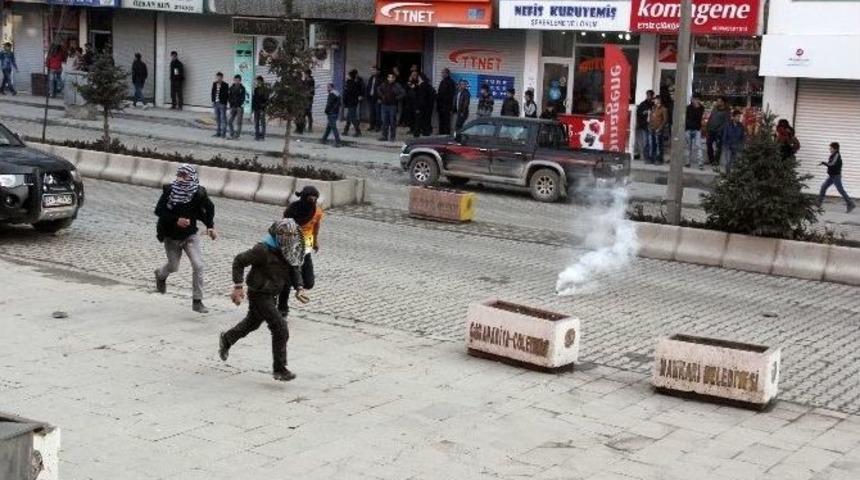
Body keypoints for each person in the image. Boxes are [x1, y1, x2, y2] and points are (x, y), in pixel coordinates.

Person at [220, 219, 309, 382]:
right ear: (279, 236)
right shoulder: (262, 250)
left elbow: (294, 266)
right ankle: (280, 369)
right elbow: (239, 261)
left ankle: (227, 339)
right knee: (280, 327)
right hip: (259, 293)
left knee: (252, 323)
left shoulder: (288, 249)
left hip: (271, 293)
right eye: (288, 236)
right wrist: (238, 286)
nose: (292, 239)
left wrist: (299, 287)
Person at [154, 164, 217, 314]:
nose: (181, 179)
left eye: (185, 176)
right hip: (171, 236)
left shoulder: (198, 193)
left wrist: (210, 226)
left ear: (192, 177)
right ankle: (160, 275)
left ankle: (197, 301)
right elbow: (159, 211)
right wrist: (176, 220)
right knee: (173, 266)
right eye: (179, 175)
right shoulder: (170, 191)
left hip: (190, 235)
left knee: (198, 265)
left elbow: (210, 208)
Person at [277, 186, 323, 317]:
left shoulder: (317, 212)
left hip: (305, 249)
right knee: (289, 278)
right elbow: (283, 225)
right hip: (290, 247)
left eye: (315, 198)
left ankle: (295, 285)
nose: (313, 200)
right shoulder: (293, 209)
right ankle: (282, 306)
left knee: (308, 282)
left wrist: (315, 242)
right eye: (310, 197)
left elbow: (316, 226)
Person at [818, 143, 856, 213]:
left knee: (841, 190)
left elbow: (832, 164)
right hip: (832, 176)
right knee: (823, 187)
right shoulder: (833, 155)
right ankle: (818, 203)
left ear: (835, 149)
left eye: (831, 148)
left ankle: (851, 204)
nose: (830, 149)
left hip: (836, 176)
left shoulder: (837, 155)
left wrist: (823, 163)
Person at [377, 73, 405, 142]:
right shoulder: (384, 84)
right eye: (389, 77)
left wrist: (396, 98)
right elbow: (378, 89)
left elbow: (403, 93)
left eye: (392, 77)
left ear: (394, 78)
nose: (390, 79)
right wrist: (382, 96)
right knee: (384, 121)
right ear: (387, 78)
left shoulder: (397, 85)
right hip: (384, 105)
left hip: (393, 105)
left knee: (392, 121)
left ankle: (392, 137)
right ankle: (384, 136)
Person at [706, 97, 729, 165]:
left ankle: (716, 161)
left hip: (719, 132)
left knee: (718, 147)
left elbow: (726, 123)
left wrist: (720, 130)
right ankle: (711, 160)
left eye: (719, 101)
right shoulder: (714, 109)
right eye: (717, 101)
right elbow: (710, 118)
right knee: (709, 144)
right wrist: (708, 126)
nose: (717, 103)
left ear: (723, 102)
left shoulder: (726, 112)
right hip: (711, 130)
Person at [685, 95, 705, 169]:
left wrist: (697, 107)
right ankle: (687, 162)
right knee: (688, 146)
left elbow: (699, 117)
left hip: (697, 129)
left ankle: (700, 163)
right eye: (694, 99)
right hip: (688, 129)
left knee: (698, 146)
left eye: (696, 99)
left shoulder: (701, 108)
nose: (695, 101)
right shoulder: (688, 108)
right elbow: (687, 118)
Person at [342, 69, 364, 137]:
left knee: (352, 117)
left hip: (351, 102)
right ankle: (346, 130)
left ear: (350, 76)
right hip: (353, 102)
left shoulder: (349, 83)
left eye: (348, 75)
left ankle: (358, 131)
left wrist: (344, 101)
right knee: (349, 117)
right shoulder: (355, 83)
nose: (346, 76)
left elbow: (346, 93)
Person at [647, 97, 668, 165]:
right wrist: (649, 126)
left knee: (658, 145)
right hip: (652, 128)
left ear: (659, 101)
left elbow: (665, 120)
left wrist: (660, 128)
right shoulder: (653, 108)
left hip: (658, 129)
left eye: (655, 100)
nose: (654, 101)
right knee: (651, 144)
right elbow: (650, 118)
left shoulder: (663, 109)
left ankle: (659, 159)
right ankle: (651, 158)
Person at [321, 83, 342, 147]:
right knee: (329, 127)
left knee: (333, 127)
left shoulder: (331, 94)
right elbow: (339, 104)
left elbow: (329, 104)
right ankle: (323, 139)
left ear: (331, 87)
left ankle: (338, 141)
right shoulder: (337, 94)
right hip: (335, 112)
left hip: (331, 112)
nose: (327, 89)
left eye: (328, 87)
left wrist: (326, 111)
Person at [635, 90, 655, 160]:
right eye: (647, 95)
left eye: (650, 95)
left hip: (652, 125)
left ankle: (650, 156)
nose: (648, 97)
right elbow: (638, 113)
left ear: (652, 96)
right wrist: (644, 112)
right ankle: (645, 156)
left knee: (651, 141)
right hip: (644, 125)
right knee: (645, 141)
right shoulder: (642, 104)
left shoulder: (654, 104)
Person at [227, 75, 247, 140]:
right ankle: (232, 133)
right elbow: (229, 97)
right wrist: (231, 104)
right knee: (230, 121)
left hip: (239, 107)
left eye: (238, 80)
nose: (237, 81)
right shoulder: (231, 88)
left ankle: (237, 135)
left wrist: (239, 104)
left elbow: (243, 98)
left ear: (240, 80)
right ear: (234, 80)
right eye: (235, 80)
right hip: (233, 107)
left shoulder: (242, 88)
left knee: (239, 122)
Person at [436, 68, 456, 135]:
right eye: (442, 73)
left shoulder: (451, 82)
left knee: (446, 122)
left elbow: (451, 95)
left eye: (443, 73)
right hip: (441, 106)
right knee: (441, 121)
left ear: (447, 73)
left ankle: (446, 135)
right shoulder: (442, 81)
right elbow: (440, 93)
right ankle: (441, 134)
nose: (442, 74)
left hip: (446, 106)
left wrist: (449, 107)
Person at [210, 72, 229, 138]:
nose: (218, 78)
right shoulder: (214, 84)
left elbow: (226, 95)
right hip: (216, 103)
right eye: (217, 77)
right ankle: (218, 133)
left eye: (220, 77)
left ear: (222, 77)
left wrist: (225, 103)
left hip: (222, 104)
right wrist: (213, 101)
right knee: (217, 119)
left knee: (223, 119)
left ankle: (223, 134)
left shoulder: (225, 85)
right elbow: (212, 93)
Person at [251, 76, 269, 141]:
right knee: (256, 122)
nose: (257, 83)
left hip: (262, 108)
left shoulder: (265, 89)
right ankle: (257, 135)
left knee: (262, 123)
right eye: (257, 81)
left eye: (258, 81)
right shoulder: (256, 89)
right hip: (256, 108)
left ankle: (263, 136)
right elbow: (254, 99)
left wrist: (263, 106)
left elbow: (267, 100)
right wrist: (253, 108)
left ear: (261, 81)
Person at [366, 66, 382, 132]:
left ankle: (378, 127)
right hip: (371, 98)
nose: (372, 71)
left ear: (378, 71)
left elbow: (382, 89)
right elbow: (368, 87)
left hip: (377, 98)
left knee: (378, 113)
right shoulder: (371, 78)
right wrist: (367, 96)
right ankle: (371, 126)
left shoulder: (381, 78)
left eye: (374, 70)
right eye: (372, 70)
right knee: (371, 113)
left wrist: (380, 98)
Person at [299, 69, 315, 133]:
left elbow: (310, 90)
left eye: (305, 74)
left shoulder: (310, 80)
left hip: (308, 99)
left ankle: (309, 127)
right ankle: (305, 127)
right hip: (305, 99)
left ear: (307, 74)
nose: (304, 75)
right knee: (305, 114)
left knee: (308, 113)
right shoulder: (306, 80)